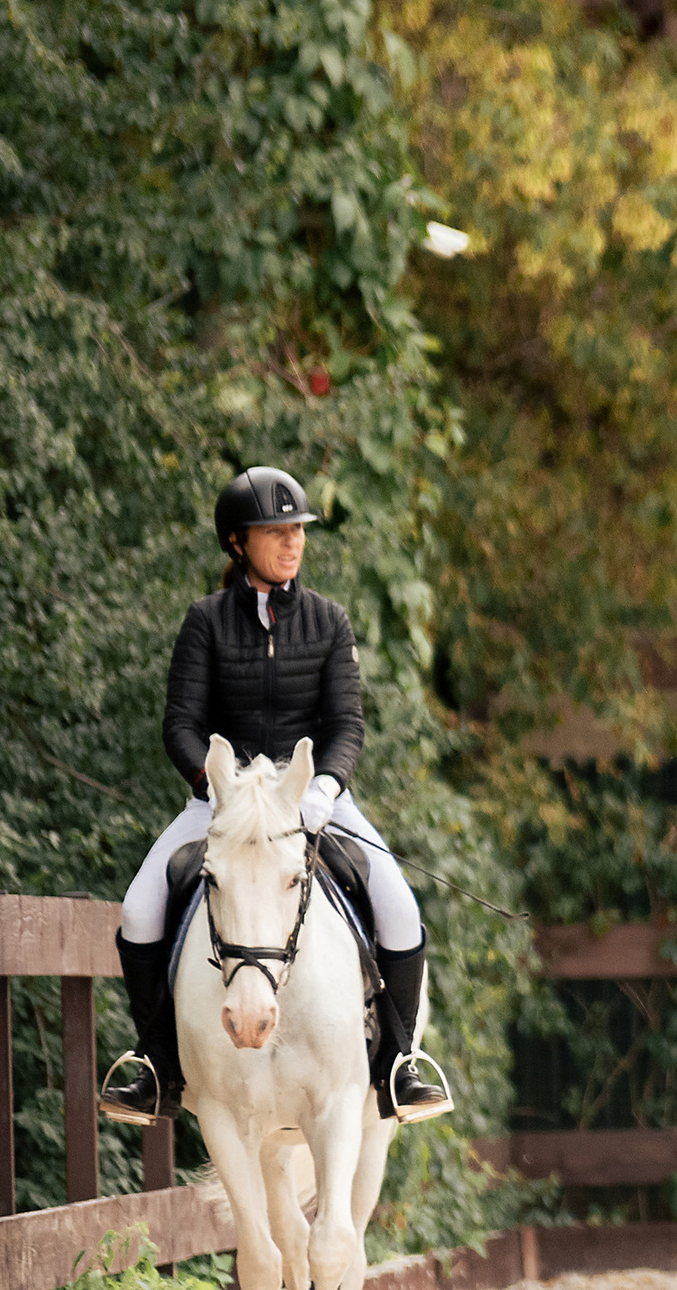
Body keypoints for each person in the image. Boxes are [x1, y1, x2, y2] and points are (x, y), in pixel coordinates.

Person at [102, 466, 451, 1125]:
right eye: (276, 531)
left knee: (400, 908)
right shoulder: (205, 621)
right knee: (140, 910)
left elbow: (347, 725)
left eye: (298, 530)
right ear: (238, 543)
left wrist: (324, 786)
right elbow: (181, 724)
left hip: (312, 799)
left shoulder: (328, 621)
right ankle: (156, 1066)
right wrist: (214, 787)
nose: (293, 542)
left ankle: (398, 1064)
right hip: (222, 804)